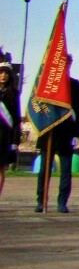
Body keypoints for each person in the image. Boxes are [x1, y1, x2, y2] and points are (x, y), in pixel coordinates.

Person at [36, 55, 79, 213]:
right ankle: (41, 200)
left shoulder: (76, 86)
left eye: (67, 63)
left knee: (65, 171)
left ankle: (62, 201)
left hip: (66, 134)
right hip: (48, 133)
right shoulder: (47, 85)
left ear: (70, 64)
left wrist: (77, 134)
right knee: (44, 170)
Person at [0, 63, 21, 197]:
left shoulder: (13, 94)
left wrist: (15, 140)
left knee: (0, 169)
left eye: (6, 73)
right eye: (1, 72)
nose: (3, 75)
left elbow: (16, 118)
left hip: (3, 136)